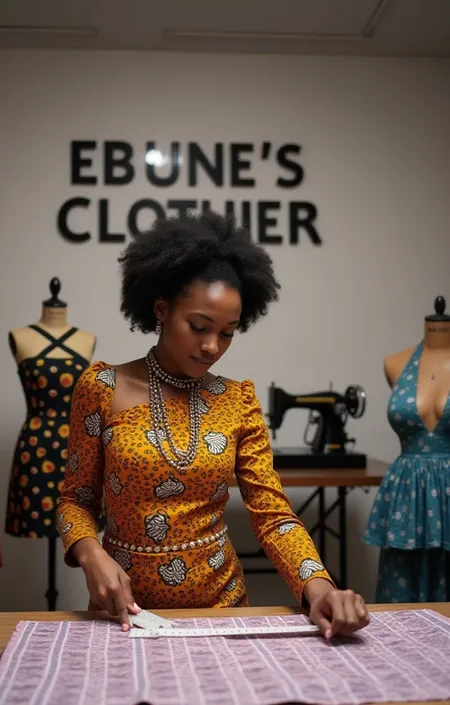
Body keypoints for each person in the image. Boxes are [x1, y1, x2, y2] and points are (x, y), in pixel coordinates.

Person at [56, 210, 369, 638]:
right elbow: (75, 500)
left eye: (227, 332)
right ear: (161, 309)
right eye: (199, 326)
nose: (211, 347)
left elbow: (273, 514)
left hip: (222, 611)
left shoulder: (237, 400)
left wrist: (319, 586)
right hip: (123, 615)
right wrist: (91, 555)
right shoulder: (102, 387)